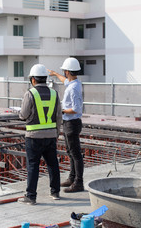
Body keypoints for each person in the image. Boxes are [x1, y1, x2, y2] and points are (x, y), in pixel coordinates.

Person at [17, 64, 62, 205]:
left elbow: (23, 115)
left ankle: (31, 196)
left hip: (33, 137)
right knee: (53, 164)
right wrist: (56, 133)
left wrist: (20, 114)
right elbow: (59, 116)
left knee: (33, 165)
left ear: (33, 80)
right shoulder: (54, 93)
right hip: (50, 135)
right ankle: (55, 192)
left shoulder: (30, 93)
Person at [48, 57, 84, 193]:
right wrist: (55, 74)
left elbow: (76, 108)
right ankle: (72, 178)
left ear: (68, 71)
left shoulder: (73, 88)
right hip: (70, 122)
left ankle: (78, 182)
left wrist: (60, 110)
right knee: (70, 151)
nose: (63, 73)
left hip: (72, 122)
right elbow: (65, 81)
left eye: (64, 71)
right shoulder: (73, 83)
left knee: (75, 154)